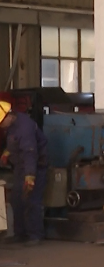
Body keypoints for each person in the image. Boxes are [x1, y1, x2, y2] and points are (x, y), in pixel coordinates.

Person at [0, 101, 48, 246]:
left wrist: (30, 177)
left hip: (34, 167)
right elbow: (14, 142)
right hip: (20, 167)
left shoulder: (25, 128)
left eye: (1, 122)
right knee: (16, 200)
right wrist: (7, 153)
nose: (1, 126)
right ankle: (19, 234)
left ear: (9, 116)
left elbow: (29, 153)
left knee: (31, 200)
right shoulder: (12, 125)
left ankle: (35, 235)